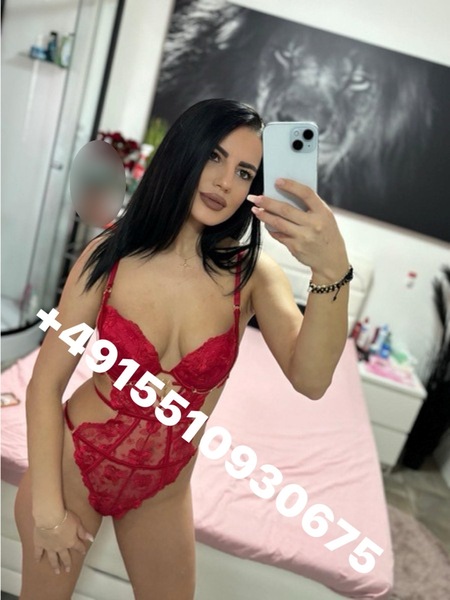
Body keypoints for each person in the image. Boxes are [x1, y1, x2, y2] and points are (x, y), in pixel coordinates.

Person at [14, 98, 352, 600]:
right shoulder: (110, 254)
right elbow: (45, 385)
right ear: (183, 153)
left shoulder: (252, 276)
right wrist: (47, 513)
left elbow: (313, 379)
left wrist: (332, 269)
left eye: (244, 172)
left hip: (163, 491)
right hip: (70, 467)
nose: (225, 182)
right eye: (214, 156)